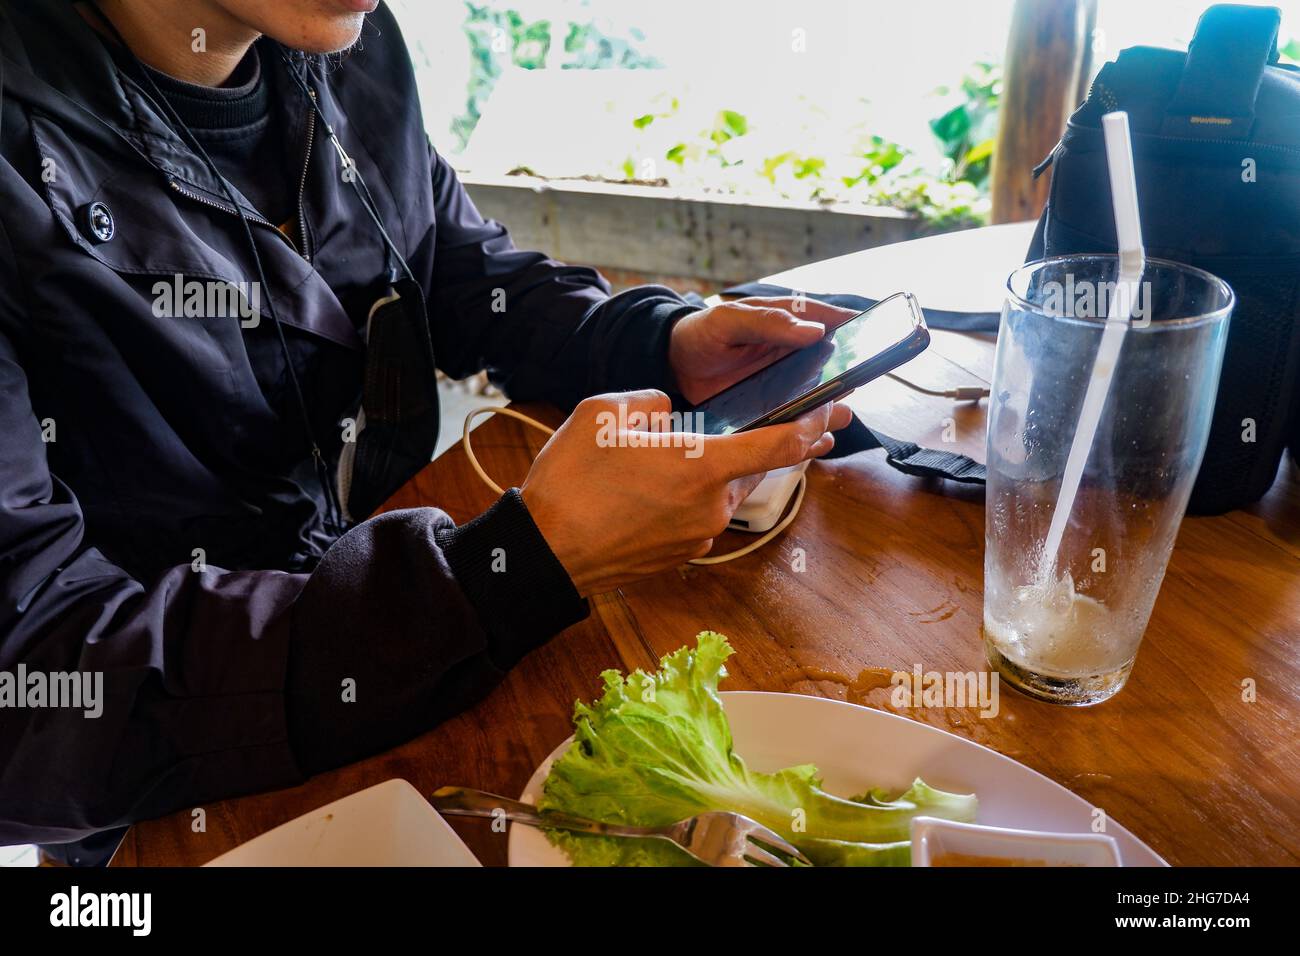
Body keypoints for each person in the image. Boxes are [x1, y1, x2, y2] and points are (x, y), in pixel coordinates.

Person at [0, 0, 854, 849]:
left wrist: (651, 342)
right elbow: (34, 677)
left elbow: (446, 257)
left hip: (394, 642)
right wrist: (502, 575)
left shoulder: (341, 42)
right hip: (170, 787)